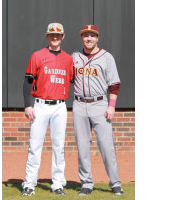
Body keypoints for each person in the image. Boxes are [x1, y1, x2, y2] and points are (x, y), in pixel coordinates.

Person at [21, 22, 74, 196]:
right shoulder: (37, 55)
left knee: (59, 146)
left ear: (63, 37)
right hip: (40, 105)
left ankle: (58, 184)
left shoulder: (68, 59)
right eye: (52, 34)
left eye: (58, 35)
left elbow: (74, 80)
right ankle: (29, 183)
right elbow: (28, 81)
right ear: (47, 36)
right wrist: (28, 104)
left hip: (60, 106)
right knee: (35, 145)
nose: (55, 37)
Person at [71, 24, 124, 196]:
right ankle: (86, 182)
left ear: (97, 38)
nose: (89, 39)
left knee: (106, 146)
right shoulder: (75, 56)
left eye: (92, 36)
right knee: (82, 147)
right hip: (79, 105)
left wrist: (111, 106)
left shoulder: (107, 57)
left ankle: (115, 182)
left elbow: (114, 84)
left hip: (100, 104)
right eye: (86, 35)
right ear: (81, 37)